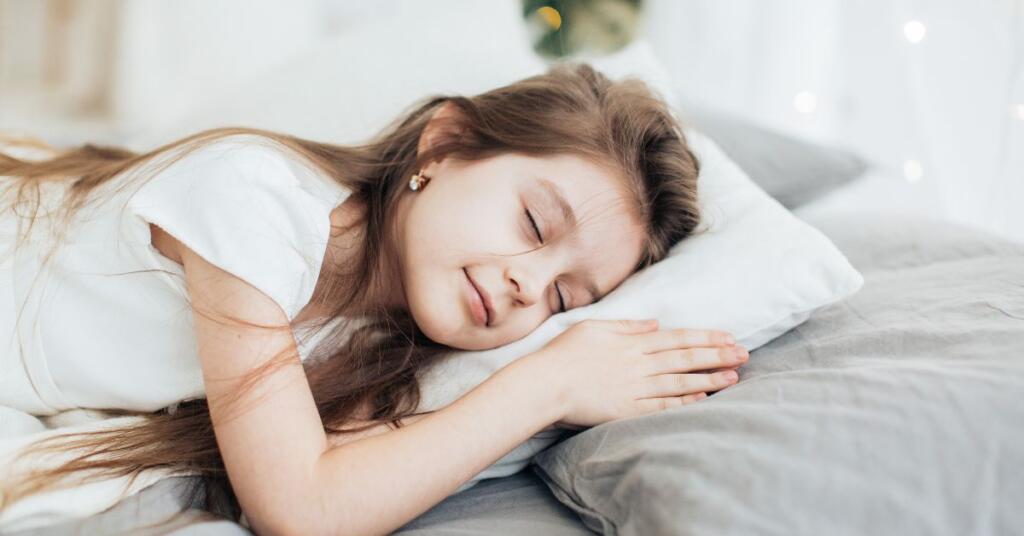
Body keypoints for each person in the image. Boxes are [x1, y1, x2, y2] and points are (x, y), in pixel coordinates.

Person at [0, 62, 747, 534]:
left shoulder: (381, 344)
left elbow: (350, 488)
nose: (528, 284)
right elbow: (303, 510)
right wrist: (550, 382)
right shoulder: (252, 199)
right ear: (445, 143)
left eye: (564, 296)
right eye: (533, 222)